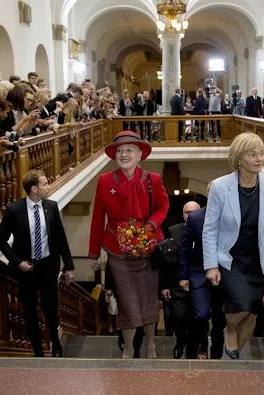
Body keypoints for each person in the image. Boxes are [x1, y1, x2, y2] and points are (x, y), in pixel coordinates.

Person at [203, 132, 264, 360]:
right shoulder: (221, 187)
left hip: (261, 260)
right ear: (238, 158)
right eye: (253, 154)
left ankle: (235, 362)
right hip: (231, 259)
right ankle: (229, 329)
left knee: (253, 313)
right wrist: (211, 265)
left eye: (262, 153)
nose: (259, 158)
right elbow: (210, 229)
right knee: (241, 305)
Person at [88, 131, 169, 358]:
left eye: (129, 150)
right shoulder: (105, 181)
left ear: (140, 154)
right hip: (117, 252)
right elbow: (97, 219)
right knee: (128, 301)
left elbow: (163, 206)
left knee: (148, 300)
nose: (124, 154)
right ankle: (130, 348)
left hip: (147, 251)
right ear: (115, 156)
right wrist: (93, 254)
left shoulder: (153, 180)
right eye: (120, 151)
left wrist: (151, 225)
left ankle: (151, 345)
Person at [0, 170, 75, 358]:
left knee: (51, 309)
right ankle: (38, 353)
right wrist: (18, 262)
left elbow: (61, 238)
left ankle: (56, 344)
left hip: (49, 266)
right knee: (29, 312)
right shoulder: (14, 210)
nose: (49, 186)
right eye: (45, 183)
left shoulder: (52, 207)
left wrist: (69, 266)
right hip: (27, 270)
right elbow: (1, 241)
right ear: (34, 189)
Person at [180, 181, 226, 360]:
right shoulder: (196, 217)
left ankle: (216, 356)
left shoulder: (231, 217)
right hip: (198, 272)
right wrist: (183, 276)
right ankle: (195, 349)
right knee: (201, 314)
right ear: (208, 193)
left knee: (219, 318)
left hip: (223, 273)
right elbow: (184, 248)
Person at [160, 201, 200, 359]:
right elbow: (164, 260)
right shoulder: (173, 230)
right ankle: (180, 340)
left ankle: (194, 346)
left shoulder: (207, 229)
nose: (190, 216)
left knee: (196, 317)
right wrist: (164, 286)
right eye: (187, 212)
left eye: (194, 212)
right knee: (179, 316)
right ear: (183, 214)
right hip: (176, 282)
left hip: (199, 282)